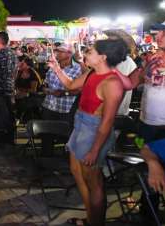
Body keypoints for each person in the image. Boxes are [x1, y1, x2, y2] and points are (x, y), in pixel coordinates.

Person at [48, 39, 130, 226]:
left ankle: (96, 221)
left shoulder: (112, 83)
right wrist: (56, 68)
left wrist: (94, 150)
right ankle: (91, 218)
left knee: (94, 182)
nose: (85, 54)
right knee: (76, 172)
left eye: (90, 51)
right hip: (80, 124)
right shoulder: (91, 73)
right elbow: (70, 85)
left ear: (103, 57)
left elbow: (107, 122)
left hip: (94, 130)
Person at [14, 55, 42, 123]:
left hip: (32, 97)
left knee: (21, 103)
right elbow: (15, 83)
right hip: (20, 94)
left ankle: (20, 119)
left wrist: (22, 91)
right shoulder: (20, 72)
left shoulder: (33, 74)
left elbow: (34, 90)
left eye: (22, 63)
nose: (20, 64)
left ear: (28, 65)